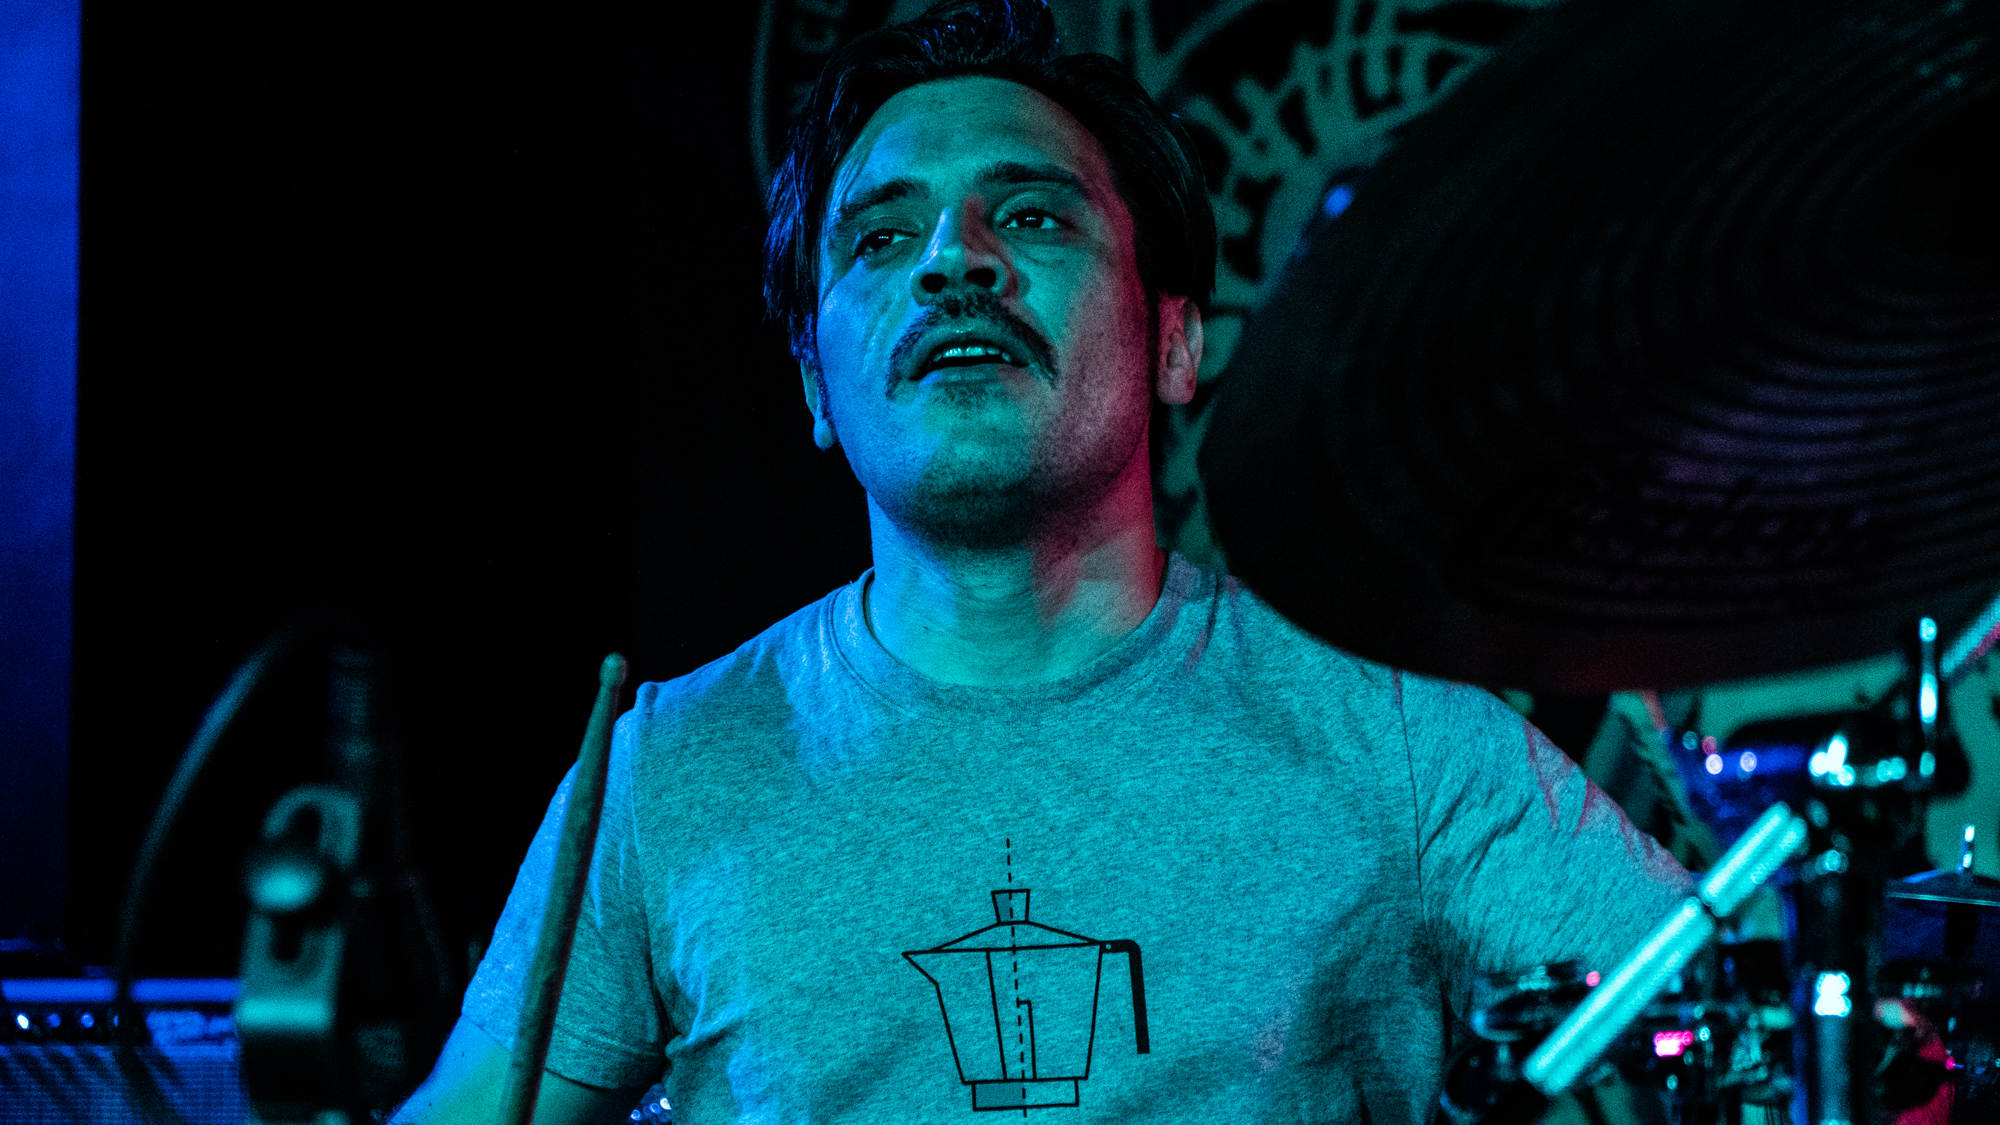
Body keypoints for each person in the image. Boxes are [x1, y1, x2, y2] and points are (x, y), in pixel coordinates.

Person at [391, 2, 1691, 1122]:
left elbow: (1735, 1020)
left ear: (1175, 342)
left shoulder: (1392, 734)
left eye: (1030, 214)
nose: (956, 259)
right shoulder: (664, 772)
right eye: (881, 238)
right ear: (817, 391)